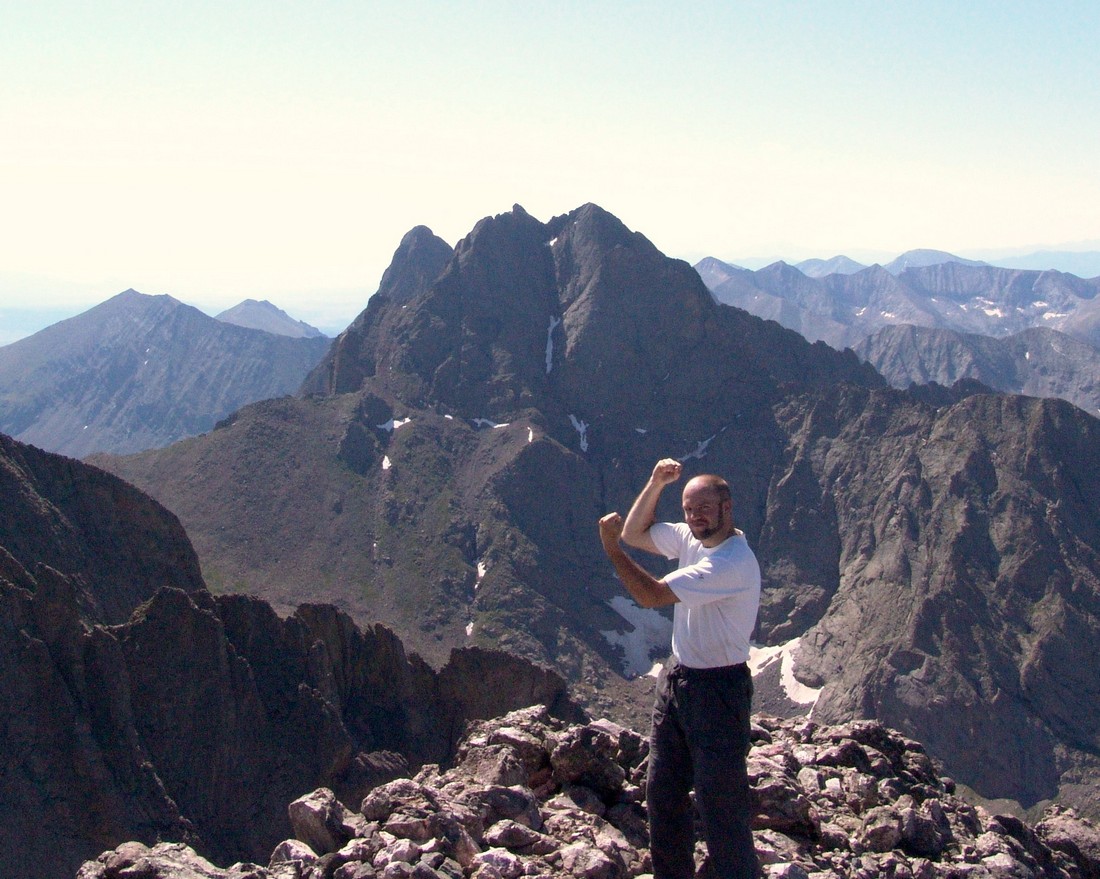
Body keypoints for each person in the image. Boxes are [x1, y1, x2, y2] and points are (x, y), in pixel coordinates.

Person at [598, 457, 761, 879]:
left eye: (703, 507)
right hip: (678, 680)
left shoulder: (731, 562)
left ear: (727, 507)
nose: (694, 516)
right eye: (688, 509)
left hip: (718, 691)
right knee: (662, 793)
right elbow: (637, 533)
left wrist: (611, 550)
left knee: (719, 805)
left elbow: (651, 595)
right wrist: (655, 484)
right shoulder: (692, 538)